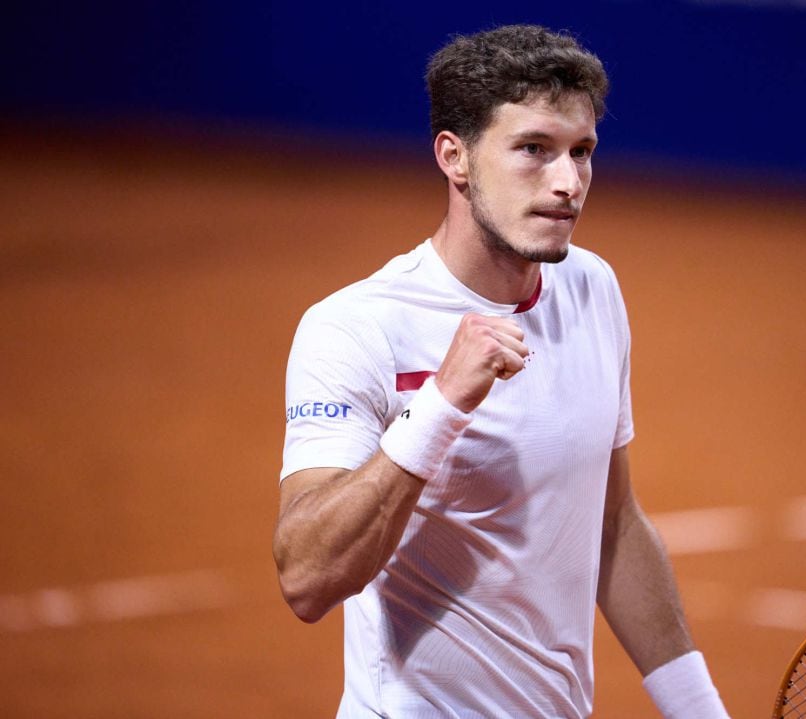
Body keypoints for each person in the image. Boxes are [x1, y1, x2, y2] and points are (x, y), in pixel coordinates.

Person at [273, 24, 731, 719]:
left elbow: (613, 526)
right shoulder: (355, 327)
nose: (567, 182)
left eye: (582, 153)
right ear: (454, 158)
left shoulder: (592, 289)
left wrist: (700, 711)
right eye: (533, 150)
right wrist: (440, 404)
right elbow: (307, 577)